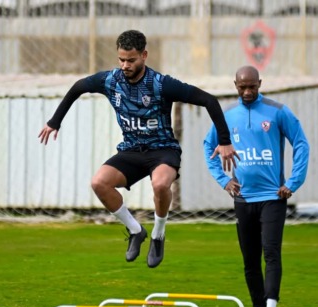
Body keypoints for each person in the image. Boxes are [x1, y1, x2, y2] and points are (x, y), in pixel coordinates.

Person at [39, 30, 239, 268]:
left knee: (160, 184)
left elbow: (209, 100)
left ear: (144, 55)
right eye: (121, 59)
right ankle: (136, 231)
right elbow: (77, 88)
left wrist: (224, 140)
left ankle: (158, 234)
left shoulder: (162, 84)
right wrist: (55, 121)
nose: (125, 65)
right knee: (99, 183)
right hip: (131, 150)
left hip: (163, 150)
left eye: (131, 60)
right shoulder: (110, 81)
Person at [203, 65, 309, 307]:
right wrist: (224, 180)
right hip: (243, 199)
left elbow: (301, 143)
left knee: (271, 253)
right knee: (249, 259)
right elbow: (208, 146)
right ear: (235, 85)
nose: (248, 91)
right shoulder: (227, 117)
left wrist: (293, 182)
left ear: (260, 83)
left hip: (273, 196)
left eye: (252, 86)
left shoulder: (277, 111)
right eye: (242, 87)